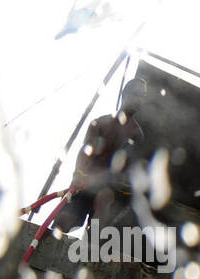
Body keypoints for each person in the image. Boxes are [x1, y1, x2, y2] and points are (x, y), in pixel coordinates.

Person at [54, 79, 147, 233]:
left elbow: (123, 169)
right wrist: (78, 174)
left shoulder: (136, 134)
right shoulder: (100, 123)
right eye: (137, 94)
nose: (140, 100)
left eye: (142, 96)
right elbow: (85, 152)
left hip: (108, 192)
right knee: (62, 222)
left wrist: (97, 180)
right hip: (83, 186)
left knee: (104, 202)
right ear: (125, 93)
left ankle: (91, 245)